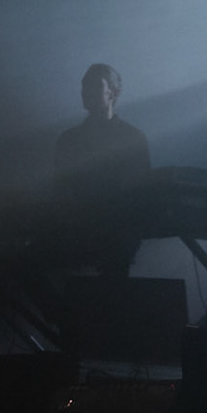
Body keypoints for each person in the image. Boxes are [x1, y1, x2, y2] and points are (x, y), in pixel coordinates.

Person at [52, 63, 152, 276]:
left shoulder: (132, 138)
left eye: (94, 85)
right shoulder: (69, 140)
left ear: (113, 92)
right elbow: (59, 189)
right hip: (77, 232)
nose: (85, 91)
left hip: (114, 234)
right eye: (84, 85)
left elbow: (138, 194)